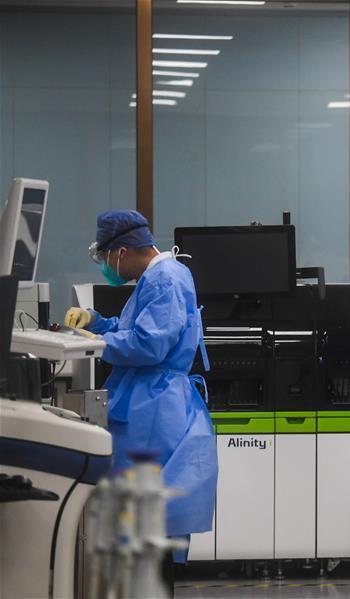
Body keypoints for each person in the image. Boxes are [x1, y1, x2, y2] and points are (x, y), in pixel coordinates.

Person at [64, 210, 217, 588]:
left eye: (105, 257)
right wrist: (97, 322)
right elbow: (135, 328)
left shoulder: (164, 279)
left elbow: (149, 345)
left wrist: (99, 343)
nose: (106, 267)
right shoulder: (160, 276)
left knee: (147, 530)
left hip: (154, 410)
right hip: (147, 402)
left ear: (122, 251)